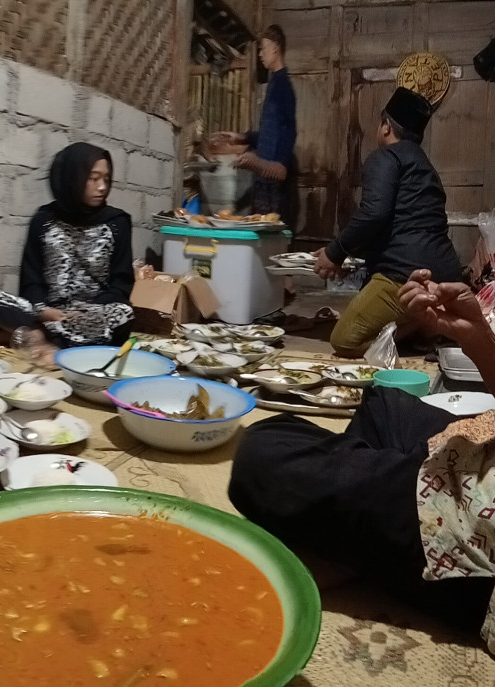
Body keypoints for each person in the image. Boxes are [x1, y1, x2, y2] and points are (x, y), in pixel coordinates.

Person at [229, 268, 495, 650]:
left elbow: (369, 222)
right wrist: (475, 337)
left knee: (263, 450)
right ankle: (364, 542)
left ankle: (368, 546)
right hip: (484, 451)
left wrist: (331, 255)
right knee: (385, 403)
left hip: (477, 519)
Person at [314, 87, 461, 357]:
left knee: (345, 339)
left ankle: (419, 319)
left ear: (385, 126)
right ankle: (424, 320)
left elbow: (374, 213)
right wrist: (351, 259)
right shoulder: (425, 165)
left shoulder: (385, 156)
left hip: (405, 275)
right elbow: (397, 222)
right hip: (446, 273)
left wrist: (334, 253)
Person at [0, 142, 134, 360]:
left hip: (91, 313)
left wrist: (85, 311)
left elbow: (121, 285)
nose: (102, 187)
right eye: (93, 178)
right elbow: (31, 280)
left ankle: (34, 337)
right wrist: (42, 311)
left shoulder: (117, 222)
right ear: (73, 178)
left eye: (106, 179)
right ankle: (47, 338)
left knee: (124, 314)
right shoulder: (44, 220)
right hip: (46, 312)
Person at [210, 24, 296, 219]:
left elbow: (289, 132)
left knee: (270, 239)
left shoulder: (284, 86)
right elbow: (269, 134)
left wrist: (266, 165)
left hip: (274, 183)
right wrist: (240, 137)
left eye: (263, 48)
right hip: (263, 179)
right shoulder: (274, 84)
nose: (260, 54)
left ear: (275, 48)